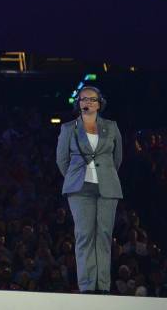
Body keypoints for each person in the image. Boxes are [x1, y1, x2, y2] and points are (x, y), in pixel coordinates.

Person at [56, 86, 123, 293]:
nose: (88, 102)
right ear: (79, 103)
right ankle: (86, 286)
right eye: (84, 99)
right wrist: (75, 177)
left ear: (99, 103)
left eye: (92, 99)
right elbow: (62, 160)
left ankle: (102, 285)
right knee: (84, 235)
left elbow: (117, 158)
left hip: (107, 187)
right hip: (79, 188)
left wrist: (106, 175)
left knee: (103, 235)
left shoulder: (111, 127)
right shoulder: (69, 128)